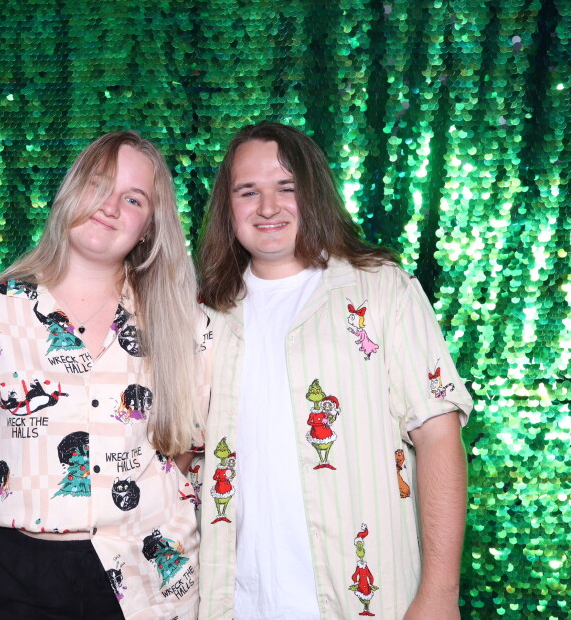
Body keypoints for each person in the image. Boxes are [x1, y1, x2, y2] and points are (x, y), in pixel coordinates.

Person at [0, 131, 208, 619]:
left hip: (145, 578)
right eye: (98, 185)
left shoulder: (186, 325)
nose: (109, 207)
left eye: (133, 199)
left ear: (148, 228)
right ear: (69, 194)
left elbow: (186, 445)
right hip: (12, 576)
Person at [195, 122, 472, 619]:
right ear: (227, 206)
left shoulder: (382, 290)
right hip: (235, 603)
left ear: (314, 194)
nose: (268, 207)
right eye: (248, 191)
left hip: (365, 601)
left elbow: (437, 434)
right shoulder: (204, 312)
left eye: (286, 188)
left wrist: (439, 594)